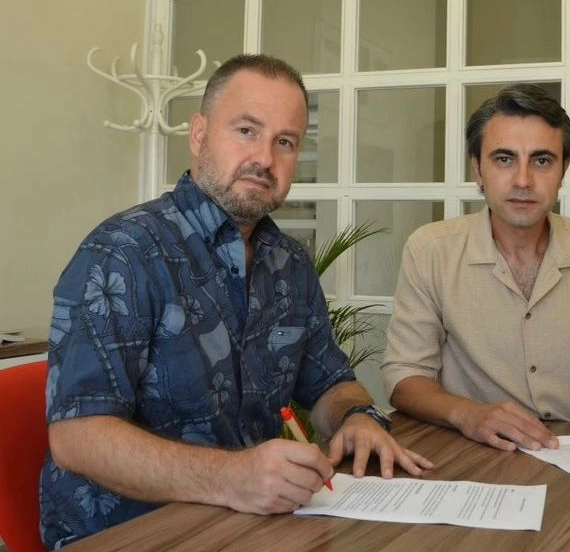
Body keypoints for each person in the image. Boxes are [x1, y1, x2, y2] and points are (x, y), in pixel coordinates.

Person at [40, 54, 432, 549]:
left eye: (285, 142)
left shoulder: (290, 263)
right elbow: (77, 437)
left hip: (253, 526)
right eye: (247, 130)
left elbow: (330, 383)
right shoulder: (120, 253)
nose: (265, 159)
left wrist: (355, 417)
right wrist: (230, 478)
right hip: (126, 534)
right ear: (199, 134)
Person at [381, 83, 570, 453]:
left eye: (542, 161)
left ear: (563, 170)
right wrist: (468, 414)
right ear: (477, 169)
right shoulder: (430, 250)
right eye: (504, 159)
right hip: (478, 452)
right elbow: (404, 376)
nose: (523, 181)